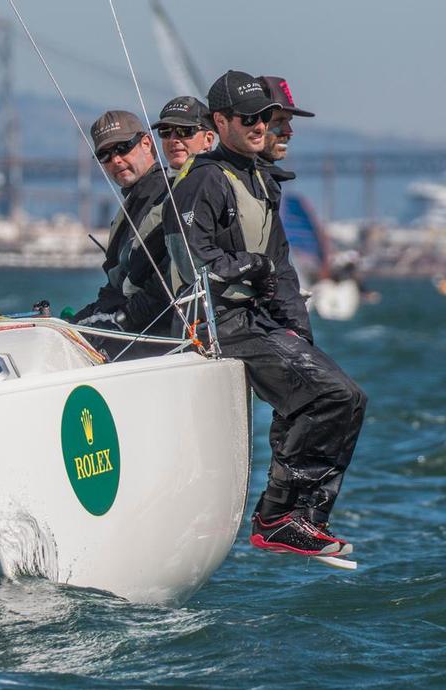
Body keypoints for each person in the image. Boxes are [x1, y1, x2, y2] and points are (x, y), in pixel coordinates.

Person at [163, 70, 366, 557]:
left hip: (256, 321)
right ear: (221, 121)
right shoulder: (205, 178)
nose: (261, 127)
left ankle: (301, 519)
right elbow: (190, 259)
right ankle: (277, 517)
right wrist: (245, 266)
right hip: (217, 323)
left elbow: (279, 267)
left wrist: (298, 331)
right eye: (250, 118)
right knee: (335, 395)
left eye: (264, 118)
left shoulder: (259, 179)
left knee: (345, 399)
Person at [70, 110, 173, 359]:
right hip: (127, 321)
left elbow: (165, 280)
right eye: (105, 155)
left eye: (123, 147)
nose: (115, 160)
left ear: (147, 143)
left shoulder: (166, 195)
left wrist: (115, 320)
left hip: (153, 332)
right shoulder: (135, 198)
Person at [150, 96, 216, 176]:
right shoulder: (153, 184)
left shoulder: (216, 180)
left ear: (208, 139)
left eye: (184, 130)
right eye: (165, 131)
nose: (173, 139)